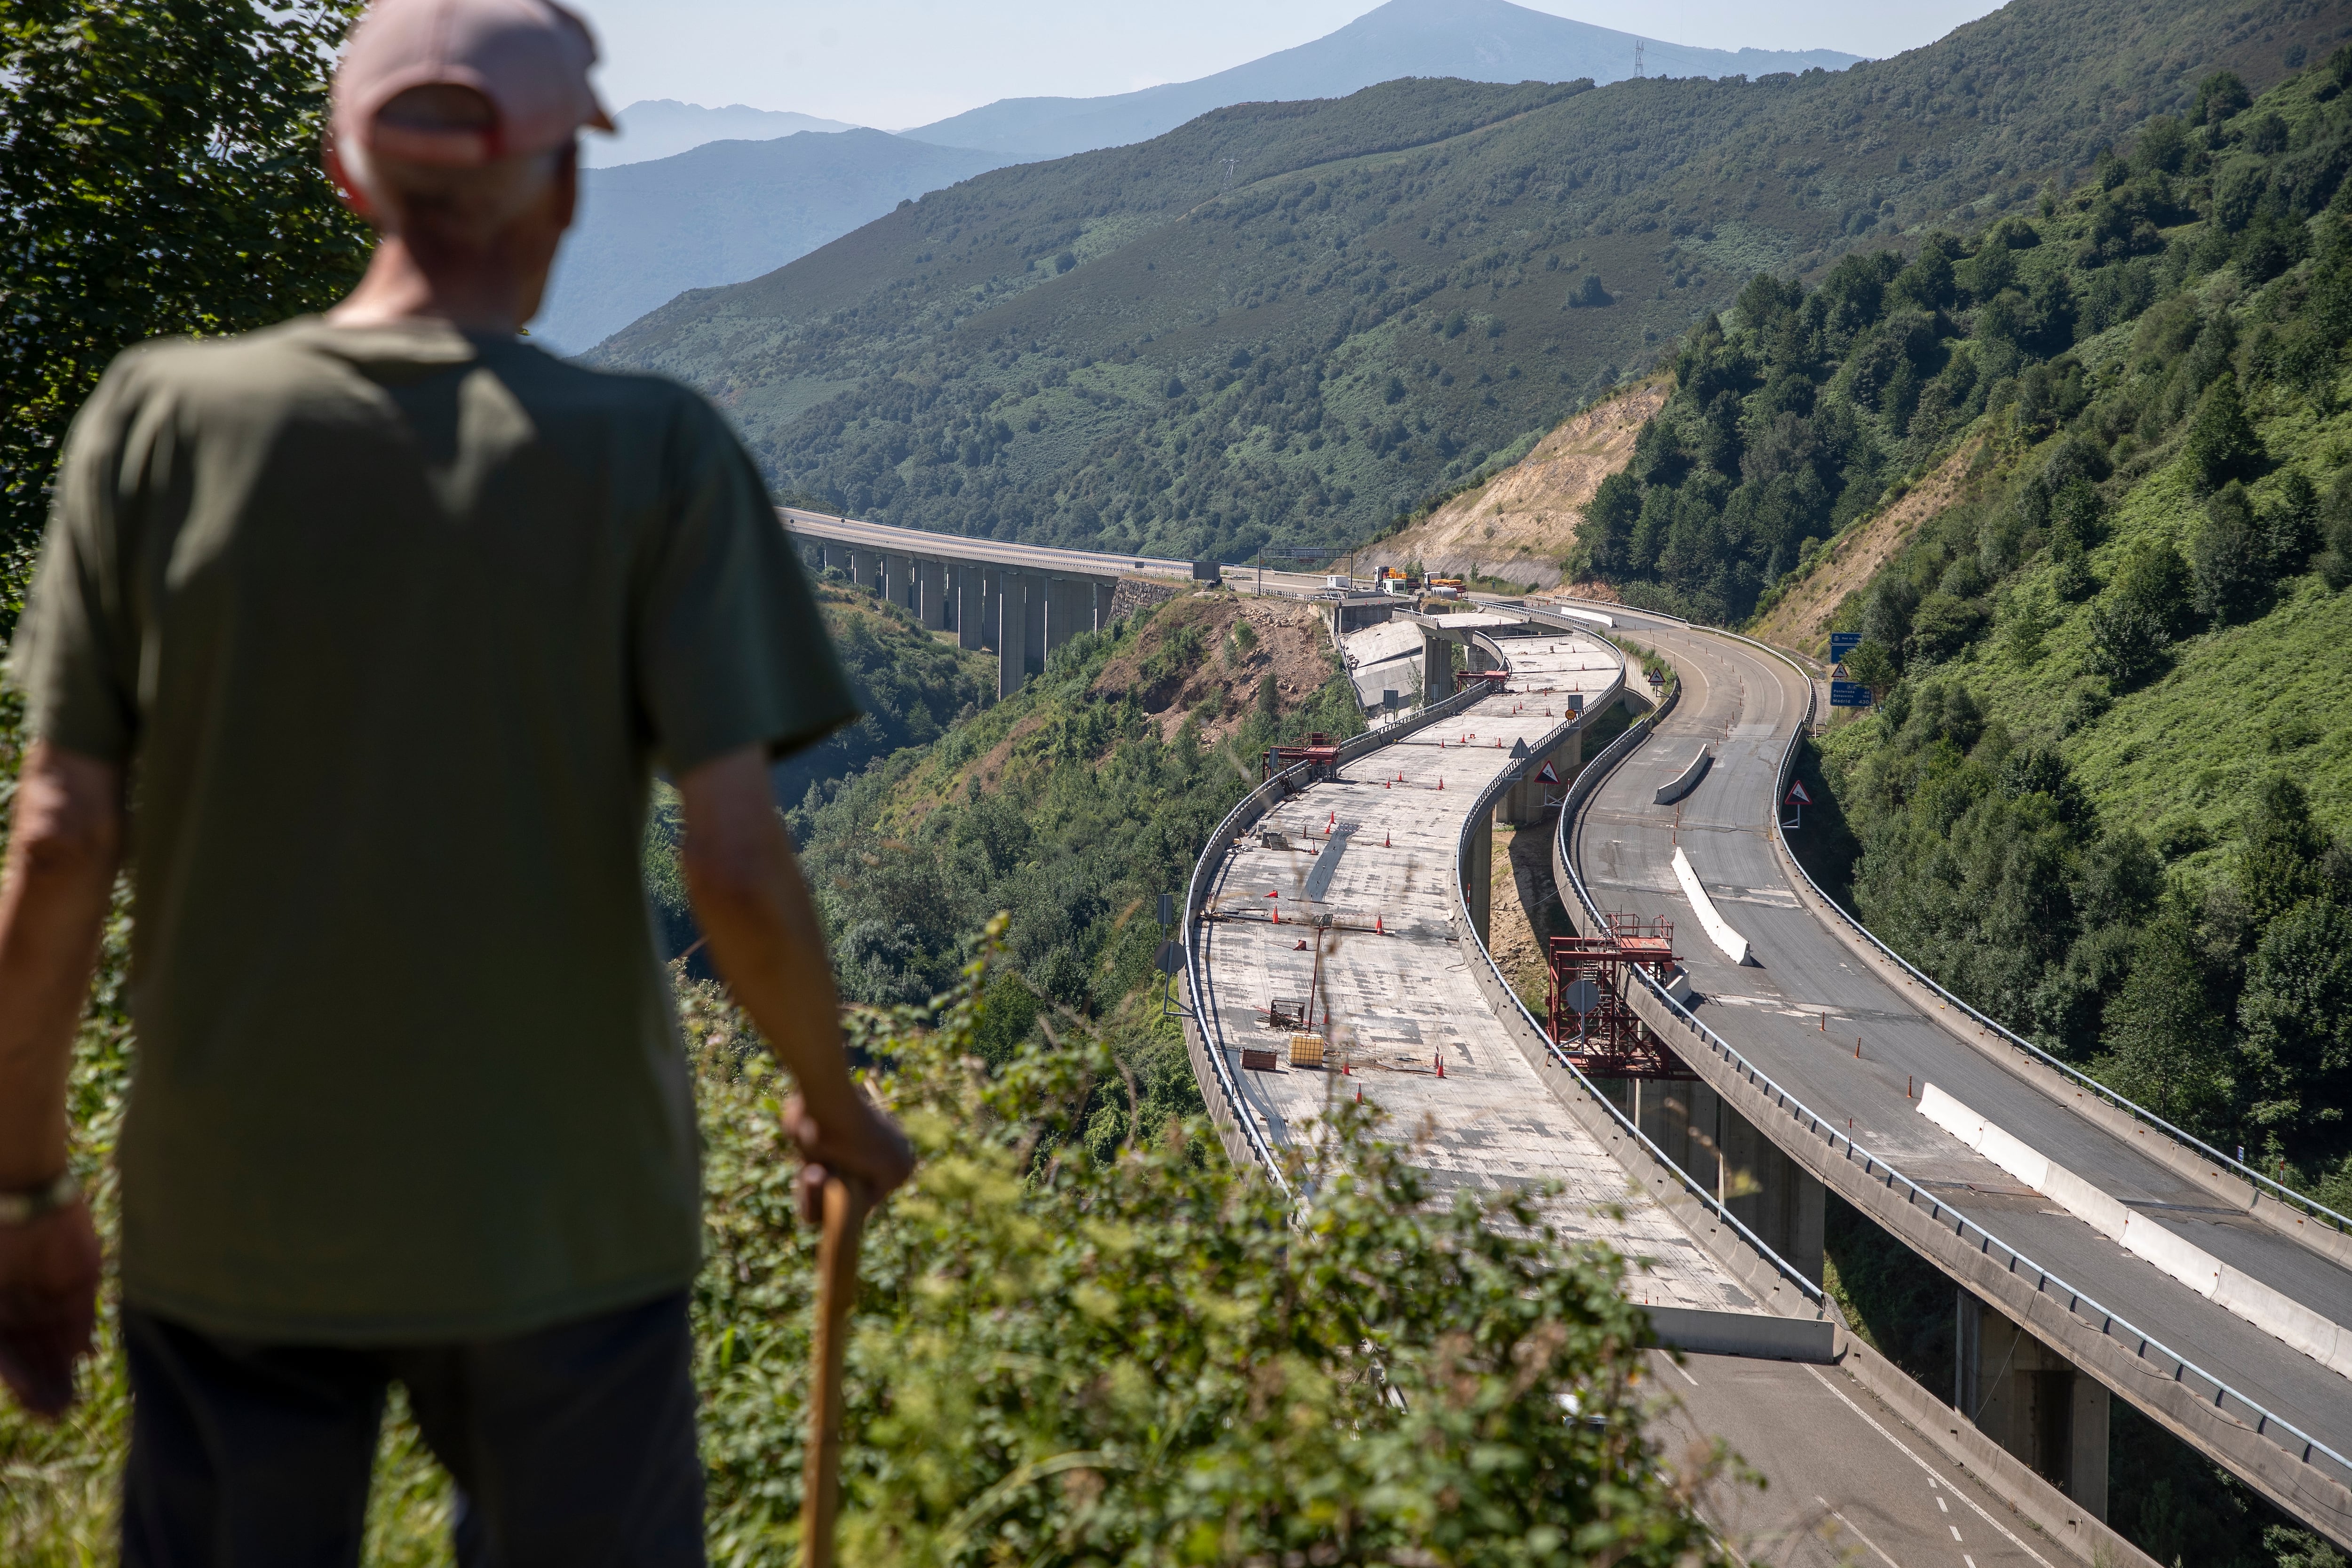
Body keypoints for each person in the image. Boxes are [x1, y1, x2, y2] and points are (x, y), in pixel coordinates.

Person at [0, 0, 913, 1559]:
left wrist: (24, 1199)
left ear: (348, 175)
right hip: (568, 1224)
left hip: (234, 1211)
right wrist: (836, 1109)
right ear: (562, 182)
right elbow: (738, 866)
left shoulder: (157, 423)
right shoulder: (657, 451)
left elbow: (67, 835)